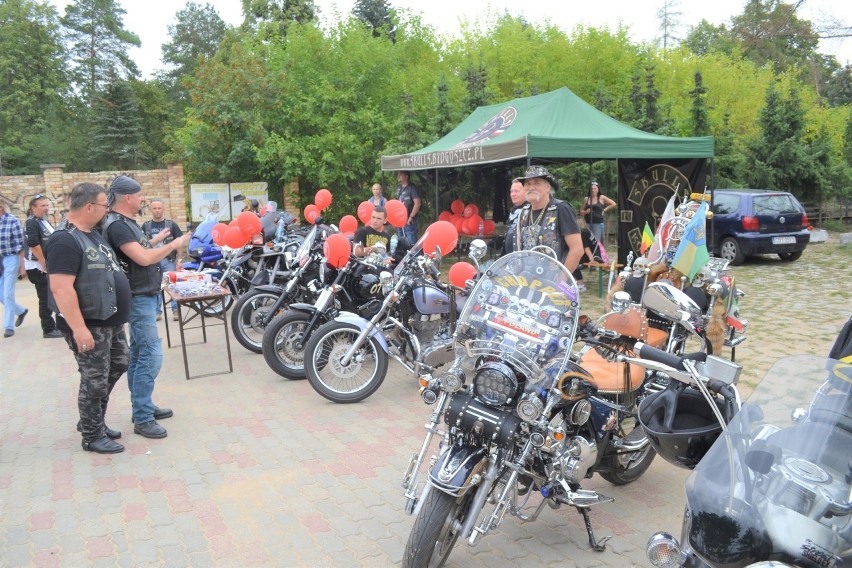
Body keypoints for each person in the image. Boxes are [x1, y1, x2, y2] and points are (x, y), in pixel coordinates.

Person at [101, 175, 191, 440]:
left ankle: (143, 406)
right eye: (140, 196)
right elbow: (142, 257)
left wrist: (159, 239)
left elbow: (140, 250)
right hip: (137, 298)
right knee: (151, 355)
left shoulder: (128, 224)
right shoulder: (118, 225)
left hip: (145, 294)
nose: (144, 200)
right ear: (128, 198)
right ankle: (142, 417)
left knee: (139, 355)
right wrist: (173, 244)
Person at [46, 183, 132, 453]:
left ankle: (93, 420)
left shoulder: (91, 234)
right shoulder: (64, 239)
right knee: (94, 378)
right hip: (89, 323)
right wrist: (79, 328)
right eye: (104, 205)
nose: (107, 210)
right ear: (89, 207)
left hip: (109, 319)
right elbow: (60, 287)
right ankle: (92, 435)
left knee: (119, 363)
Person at [514, 166, 584, 276]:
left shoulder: (561, 208)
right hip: (527, 281)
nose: (531, 187)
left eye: (537, 183)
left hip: (553, 283)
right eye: (527, 183)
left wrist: (561, 280)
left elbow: (577, 249)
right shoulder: (524, 212)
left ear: (548, 187)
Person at [24, 195, 62, 338]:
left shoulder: (43, 222)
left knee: (52, 296)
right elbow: (33, 244)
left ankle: (56, 325)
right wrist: (44, 263)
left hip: (48, 265)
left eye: (47, 205)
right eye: (42, 206)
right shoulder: (32, 223)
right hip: (38, 267)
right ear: (33, 208)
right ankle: (48, 328)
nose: (46, 208)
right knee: (45, 298)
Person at [141, 199, 183, 322]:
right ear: (150, 210)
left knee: (172, 286)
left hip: (168, 260)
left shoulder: (171, 225)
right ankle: (157, 312)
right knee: (155, 287)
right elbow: (143, 244)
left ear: (163, 209)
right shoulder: (146, 226)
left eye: (159, 208)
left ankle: (175, 310)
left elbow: (179, 243)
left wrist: (179, 260)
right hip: (153, 261)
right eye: (154, 208)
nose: (157, 210)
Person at [0, 201, 29, 338]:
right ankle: (21, 311)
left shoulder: (12, 221)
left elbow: (20, 245)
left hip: (11, 258)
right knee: (1, 294)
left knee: (8, 293)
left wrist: (22, 267)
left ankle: (8, 326)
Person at [395, 171, 421, 246]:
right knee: (401, 242)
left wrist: (411, 216)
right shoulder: (399, 188)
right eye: (398, 174)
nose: (399, 176)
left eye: (401, 175)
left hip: (409, 220)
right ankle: (403, 257)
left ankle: (414, 257)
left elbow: (417, 203)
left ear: (406, 177)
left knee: (411, 242)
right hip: (399, 220)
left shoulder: (412, 188)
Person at [503, 178, 526, 254]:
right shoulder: (513, 210)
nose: (513, 194)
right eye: (511, 191)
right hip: (509, 258)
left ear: (526, 192)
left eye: (516, 191)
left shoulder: (529, 210)